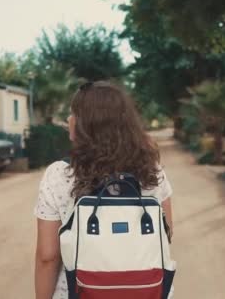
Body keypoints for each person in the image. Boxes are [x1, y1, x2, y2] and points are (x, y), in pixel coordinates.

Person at [34, 81, 175, 299]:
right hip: (147, 292)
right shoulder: (151, 172)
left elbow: (47, 256)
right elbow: (166, 234)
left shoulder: (59, 175)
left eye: (73, 114)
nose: (69, 120)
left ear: (84, 125)